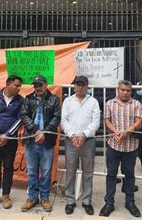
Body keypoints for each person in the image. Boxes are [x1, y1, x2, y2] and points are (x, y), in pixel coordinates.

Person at [99, 80, 142, 218]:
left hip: (131, 146)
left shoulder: (137, 104)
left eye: (128, 90)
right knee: (111, 174)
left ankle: (130, 202)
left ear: (131, 91)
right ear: (118, 90)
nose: (125, 92)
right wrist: (118, 132)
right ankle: (109, 203)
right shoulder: (109, 103)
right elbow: (107, 121)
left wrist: (128, 131)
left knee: (129, 175)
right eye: (122, 90)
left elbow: (139, 121)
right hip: (114, 144)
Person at [20, 75, 61, 212]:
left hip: (47, 141)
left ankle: (44, 198)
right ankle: (32, 197)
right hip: (31, 140)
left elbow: (56, 118)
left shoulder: (54, 99)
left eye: (40, 85)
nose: (38, 88)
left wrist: (44, 133)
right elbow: (24, 116)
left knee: (46, 171)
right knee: (31, 171)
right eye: (35, 85)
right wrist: (36, 131)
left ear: (46, 84)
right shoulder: (28, 99)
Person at [61, 76, 100, 215]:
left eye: (83, 85)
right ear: (74, 86)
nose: (80, 87)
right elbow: (64, 120)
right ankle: (70, 201)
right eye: (78, 85)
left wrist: (83, 135)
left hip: (88, 141)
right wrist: (72, 135)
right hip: (70, 141)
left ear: (87, 87)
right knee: (70, 172)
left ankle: (86, 201)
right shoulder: (67, 101)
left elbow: (96, 122)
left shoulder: (93, 102)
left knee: (88, 173)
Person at [0, 75, 24, 210]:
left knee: (8, 168)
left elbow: (20, 119)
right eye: (16, 85)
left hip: (10, 141)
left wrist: (7, 135)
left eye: (20, 86)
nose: (19, 88)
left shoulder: (21, 101)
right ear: (8, 84)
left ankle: (5, 195)